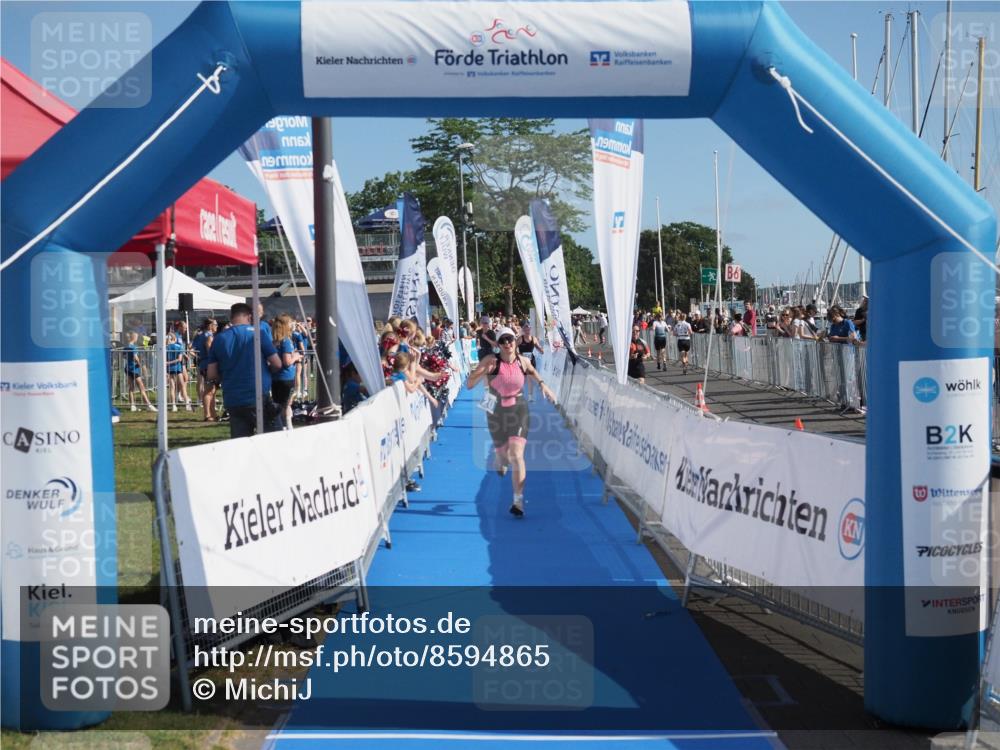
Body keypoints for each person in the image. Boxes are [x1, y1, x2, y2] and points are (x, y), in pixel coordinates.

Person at [467, 326, 556, 518]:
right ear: (498, 345)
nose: (507, 344)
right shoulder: (492, 361)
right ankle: (500, 458)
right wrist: (481, 371)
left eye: (510, 340)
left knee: (517, 454)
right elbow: (469, 384)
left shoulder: (522, 362)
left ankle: (518, 500)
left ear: (515, 341)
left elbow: (532, 371)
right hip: (495, 411)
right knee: (503, 458)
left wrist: (543, 386)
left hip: (518, 409)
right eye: (503, 341)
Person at [206, 302, 283, 439]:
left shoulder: (218, 339)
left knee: (240, 445)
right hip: (258, 396)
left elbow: (211, 373)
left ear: (231, 317)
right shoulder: (257, 334)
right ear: (249, 317)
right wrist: (267, 371)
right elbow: (277, 363)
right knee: (273, 441)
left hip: (233, 398)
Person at [271, 314, 302, 430]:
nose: (292, 325)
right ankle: (288, 426)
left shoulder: (274, 342)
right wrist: (296, 356)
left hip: (275, 378)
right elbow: (287, 362)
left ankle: (280, 426)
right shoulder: (286, 341)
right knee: (286, 404)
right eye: (290, 323)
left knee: (278, 403)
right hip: (286, 377)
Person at [123, 331, 156, 412]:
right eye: (136, 337)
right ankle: (148, 405)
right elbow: (136, 357)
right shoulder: (133, 347)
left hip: (128, 368)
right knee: (141, 387)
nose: (137, 338)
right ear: (133, 337)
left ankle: (132, 405)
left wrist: (129, 359)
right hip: (134, 368)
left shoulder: (126, 346)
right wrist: (139, 364)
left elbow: (123, 356)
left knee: (131, 387)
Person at [192, 318, 218, 421]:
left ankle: (213, 414)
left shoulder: (201, 335)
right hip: (208, 365)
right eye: (215, 324)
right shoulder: (208, 336)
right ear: (210, 325)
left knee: (212, 390)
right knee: (209, 390)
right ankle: (207, 415)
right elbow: (210, 351)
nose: (217, 326)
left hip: (204, 364)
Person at [165, 332, 192, 412]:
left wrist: (167, 363)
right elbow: (180, 359)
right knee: (182, 386)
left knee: (172, 387)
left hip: (170, 369)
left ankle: (173, 405)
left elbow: (165, 360)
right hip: (178, 369)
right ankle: (187, 404)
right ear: (175, 339)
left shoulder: (165, 348)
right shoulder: (179, 347)